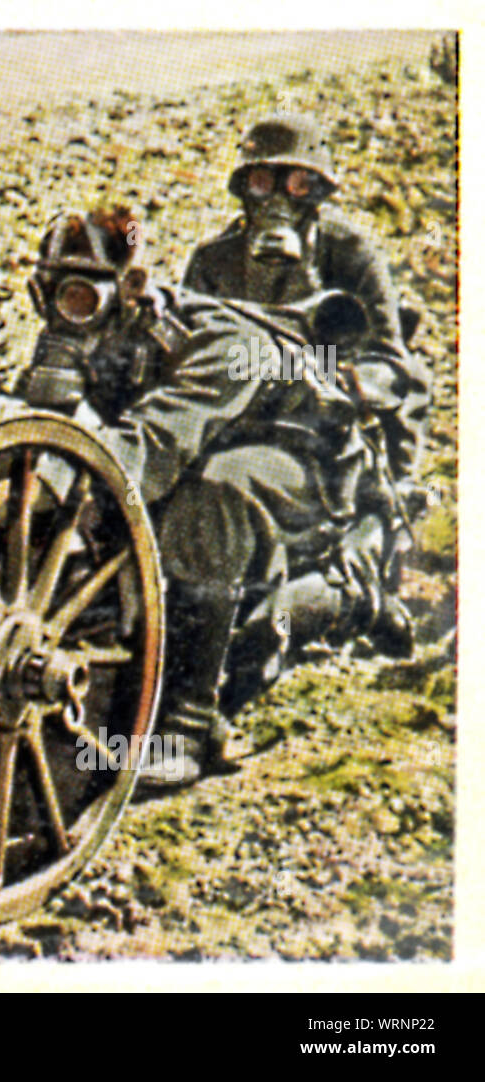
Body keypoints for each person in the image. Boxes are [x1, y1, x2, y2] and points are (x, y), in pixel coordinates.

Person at [23, 207, 371, 789]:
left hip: (303, 467)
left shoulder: (217, 342)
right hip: (197, 447)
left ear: (128, 288)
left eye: (84, 296)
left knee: (205, 498)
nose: (68, 313)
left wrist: (60, 451)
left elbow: (148, 453)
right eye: (57, 295)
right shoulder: (84, 329)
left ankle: (189, 725)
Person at [182, 115, 432, 661]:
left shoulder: (348, 252)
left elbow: (394, 366)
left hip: (319, 447)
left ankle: (331, 602)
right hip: (229, 425)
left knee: (222, 485)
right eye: (262, 182)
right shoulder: (213, 261)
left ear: (318, 192)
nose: (278, 199)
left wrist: (321, 373)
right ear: (243, 189)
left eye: (297, 185)